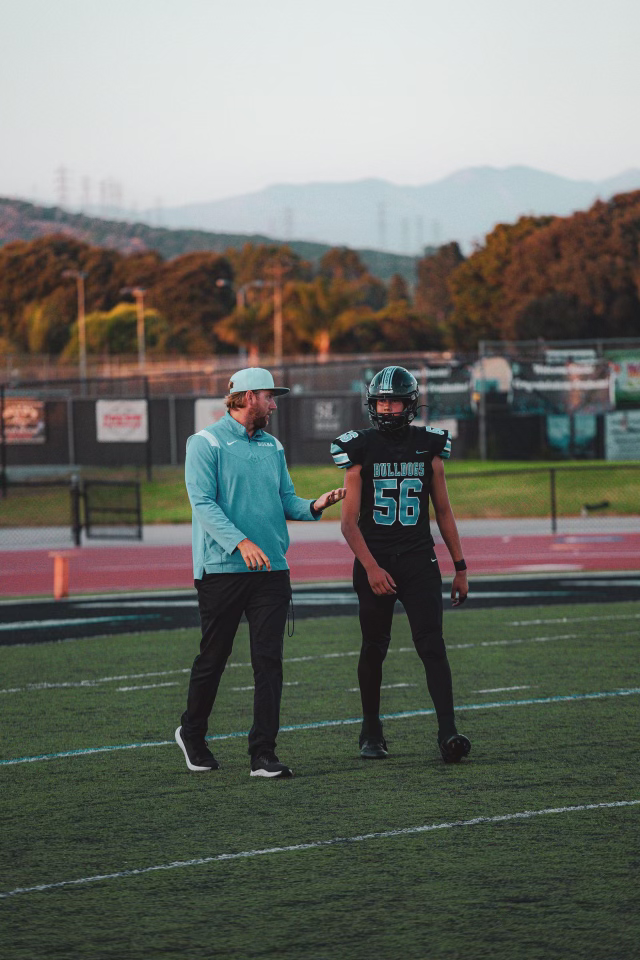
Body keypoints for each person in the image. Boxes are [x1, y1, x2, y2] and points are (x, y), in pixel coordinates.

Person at [176, 367, 345, 779]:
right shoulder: (205, 443)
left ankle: (263, 754)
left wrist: (314, 506)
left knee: (269, 661)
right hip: (221, 570)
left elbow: (286, 498)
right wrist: (239, 542)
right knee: (214, 657)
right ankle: (192, 734)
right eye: (270, 396)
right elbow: (202, 503)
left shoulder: (273, 446)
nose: (274, 404)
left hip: (271, 570)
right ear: (248, 397)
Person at [330, 365, 471, 764]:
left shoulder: (429, 446)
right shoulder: (359, 448)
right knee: (375, 646)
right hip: (375, 559)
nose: (387, 408)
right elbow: (348, 522)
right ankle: (371, 731)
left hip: (418, 560)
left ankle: (448, 733)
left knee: (432, 645)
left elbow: (443, 512)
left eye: (394, 401)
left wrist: (460, 566)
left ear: (410, 405)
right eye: (381, 401)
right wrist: (372, 568)